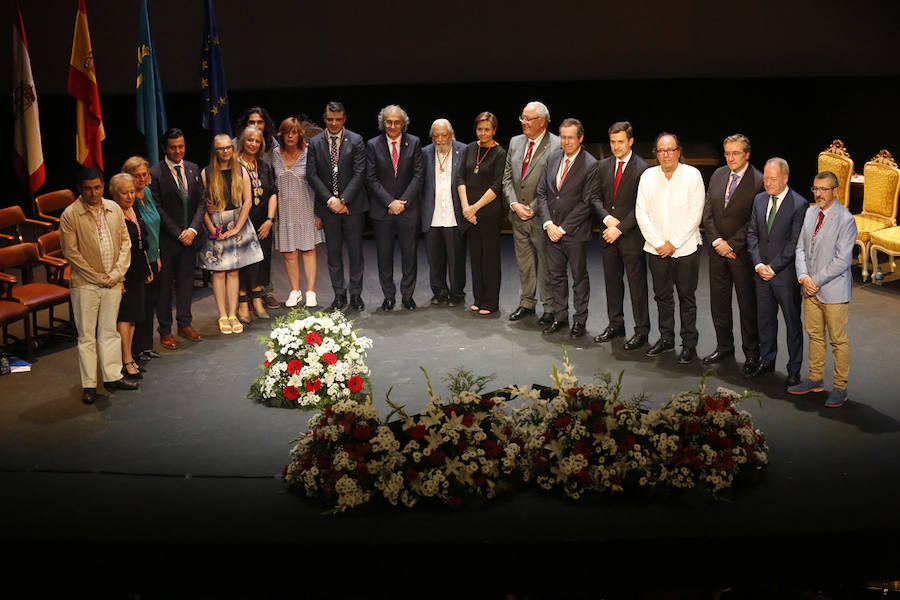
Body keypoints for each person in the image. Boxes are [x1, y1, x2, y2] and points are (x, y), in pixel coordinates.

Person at [59, 168, 138, 404]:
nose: (93, 192)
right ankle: (89, 384)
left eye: (97, 187)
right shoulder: (70, 215)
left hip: (112, 281)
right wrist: (96, 277)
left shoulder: (113, 208)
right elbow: (71, 253)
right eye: (88, 188)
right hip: (85, 284)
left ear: (103, 187)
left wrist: (116, 274)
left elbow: (126, 242)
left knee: (109, 331)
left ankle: (113, 376)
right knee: (86, 336)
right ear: (80, 189)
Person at [635, 132, 705, 363]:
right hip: (656, 250)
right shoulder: (647, 176)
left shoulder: (692, 175)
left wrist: (673, 243)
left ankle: (689, 344)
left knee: (686, 297)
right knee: (662, 297)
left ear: (678, 151)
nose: (665, 155)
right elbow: (641, 212)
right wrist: (658, 243)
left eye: (670, 150)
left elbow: (695, 214)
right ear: (656, 153)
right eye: (661, 150)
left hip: (684, 249)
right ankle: (666, 339)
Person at [789, 171, 857, 407]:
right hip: (810, 288)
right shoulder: (810, 212)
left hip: (833, 291)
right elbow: (800, 249)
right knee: (815, 336)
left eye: (823, 189)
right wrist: (803, 277)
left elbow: (842, 261)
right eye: (815, 189)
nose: (818, 193)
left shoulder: (845, 220)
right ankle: (815, 379)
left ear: (835, 191)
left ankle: (840, 387)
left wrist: (814, 279)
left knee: (838, 340)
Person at [701, 134, 764, 375]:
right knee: (719, 303)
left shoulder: (758, 181)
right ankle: (724, 346)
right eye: (727, 153)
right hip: (717, 251)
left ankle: (751, 353)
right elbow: (708, 212)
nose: (730, 158)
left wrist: (732, 244)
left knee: (747, 305)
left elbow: (754, 221)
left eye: (735, 153)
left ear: (747, 154)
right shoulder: (718, 175)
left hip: (742, 255)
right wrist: (717, 240)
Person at [535, 118, 602, 338]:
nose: (566, 141)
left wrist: (562, 228)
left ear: (580, 138)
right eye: (563, 137)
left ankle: (579, 320)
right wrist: (548, 224)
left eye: (570, 137)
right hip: (551, 230)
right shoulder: (553, 157)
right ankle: (560, 317)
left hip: (574, 233)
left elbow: (587, 203)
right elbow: (542, 192)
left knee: (579, 278)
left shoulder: (590, 164)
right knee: (556, 277)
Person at [745, 157, 808, 387]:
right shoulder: (760, 200)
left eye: (773, 179)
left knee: (792, 323)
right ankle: (767, 360)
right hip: (761, 273)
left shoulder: (799, 204)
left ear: (785, 178)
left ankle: (794, 370)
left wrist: (774, 267)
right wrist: (758, 264)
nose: (768, 184)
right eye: (766, 179)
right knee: (765, 321)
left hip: (784, 276)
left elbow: (794, 243)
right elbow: (752, 234)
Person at [592, 121, 651, 351]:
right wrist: (607, 220)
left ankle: (641, 331)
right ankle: (616, 324)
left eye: (620, 142)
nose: (616, 147)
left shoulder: (643, 168)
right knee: (612, 283)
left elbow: (642, 206)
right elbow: (595, 198)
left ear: (631, 141)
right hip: (608, 234)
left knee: (637, 286)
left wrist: (620, 227)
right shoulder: (603, 165)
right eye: (613, 142)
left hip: (631, 237)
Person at [306, 101, 369, 311]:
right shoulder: (315, 143)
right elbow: (312, 175)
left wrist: (343, 201)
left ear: (344, 119)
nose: (334, 123)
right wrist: (330, 201)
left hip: (353, 207)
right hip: (328, 208)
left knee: (355, 252)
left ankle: (356, 295)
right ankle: (339, 295)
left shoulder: (357, 140)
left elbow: (360, 173)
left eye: (338, 119)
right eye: (330, 119)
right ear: (324, 119)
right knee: (333, 253)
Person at [199, 134, 263, 334]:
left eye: (228, 147)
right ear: (215, 151)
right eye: (221, 148)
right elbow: (201, 205)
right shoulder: (206, 173)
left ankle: (233, 314)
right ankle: (222, 315)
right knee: (219, 272)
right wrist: (211, 229)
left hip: (238, 223)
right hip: (216, 223)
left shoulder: (240, 170)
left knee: (234, 271)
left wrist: (237, 228)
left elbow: (247, 201)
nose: (225, 151)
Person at [148, 128, 205, 350]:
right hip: (167, 241)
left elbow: (201, 202)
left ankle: (184, 323)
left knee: (186, 284)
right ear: (165, 148)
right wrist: (178, 232)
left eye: (181, 146)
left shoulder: (192, 169)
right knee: (164, 289)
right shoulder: (155, 173)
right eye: (173, 147)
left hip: (190, 239)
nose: (178, 150)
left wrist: (192, 230)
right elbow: (157, 208)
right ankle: (165, 330)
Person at [503, 101, 559, 325]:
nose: (523, 123)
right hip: (517, 216)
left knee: (546, 264)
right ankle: (527, 303)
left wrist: (532, 208)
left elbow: (553, 182)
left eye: (528, 119)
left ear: (542, 121)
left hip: (542, 216)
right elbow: (507, 177)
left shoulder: (556, 145)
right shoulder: (515, 142)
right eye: (522, 118)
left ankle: (550, 307)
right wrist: (514, 204)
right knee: (524, 263)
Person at [366, 105, 424, 310]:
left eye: (396, 121)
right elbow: (371, 178)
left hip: (408, 210)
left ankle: (407, 295)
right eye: (388, 121)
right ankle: (389, 296)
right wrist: (390, 202)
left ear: (403, 123)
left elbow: (418, 176)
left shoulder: (414, 142)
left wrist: (402, 202)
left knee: (410, 255)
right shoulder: (373, 145)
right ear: (383, 123)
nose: (392, 125)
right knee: (384, 255)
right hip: (383, 211)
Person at [455, 112, 507, 315]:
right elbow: (460, 178)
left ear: (494, 130)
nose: (483, 133)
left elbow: (497, 185)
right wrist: (466, 207)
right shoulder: (470, 148)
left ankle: (490, 302)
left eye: (487, 129)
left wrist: (475, 208)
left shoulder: (500, 153)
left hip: (488, 213)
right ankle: (478, 298)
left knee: (490, 259)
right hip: (470, 213)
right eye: (480, 129)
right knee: (475, 257)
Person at [272, 117, 322, 310]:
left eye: (294, 132)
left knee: (309, 250)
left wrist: (319, 214)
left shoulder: (309, 153)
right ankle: (295, 290)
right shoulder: (276, 154)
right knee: (290, 253)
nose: (290, 136)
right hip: (284, 211)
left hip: (307, 208)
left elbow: (319, 184)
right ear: (281, 135)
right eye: (286, 133)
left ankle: (310, 291)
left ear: (300, 134)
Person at [234, 106, 280, 310]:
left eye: (257, 141)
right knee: (244, 261)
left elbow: (272, 193)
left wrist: (270, 220)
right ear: (243, 141)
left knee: (263, 259)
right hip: (241, 221)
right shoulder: (234, 165)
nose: (253, 144)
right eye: (249, 139)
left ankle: (259, 297)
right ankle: (244, 302)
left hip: (263, 221)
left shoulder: (265, 166)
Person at [110, 173, 152, 380]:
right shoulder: (112, 215)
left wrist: (147, 267)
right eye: (124, 193)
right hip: (123, 272)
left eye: (132, 192)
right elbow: (114, 249)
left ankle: (130, 356)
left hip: (137, 267)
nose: (129, 196)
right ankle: (125, 360)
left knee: (134, 314)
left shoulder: (133, 209)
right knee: (125, 316)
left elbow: (141, 240)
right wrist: (119, 278)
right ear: (114, 194)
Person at [421, 118, 467, 306]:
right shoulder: (424, 153)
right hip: (432, 213)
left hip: (454, 212)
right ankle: (439, 291)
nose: (439, 139)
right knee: (434, 257)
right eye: (436, 135)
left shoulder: (463, 150)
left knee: (456, 257)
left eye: (443, 135)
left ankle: (457, 293)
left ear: (451, 134)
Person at [122, 156, 161, 363]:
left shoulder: (147, 192)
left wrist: (158, 254)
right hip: (139, 260)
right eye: (137, 176)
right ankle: (135, 350)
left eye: (144, 174)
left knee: (150, 304)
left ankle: (147, 346)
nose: (142, 179)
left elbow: (154, 226)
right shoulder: (128, 200)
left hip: (154, 255)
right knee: (138, 306)